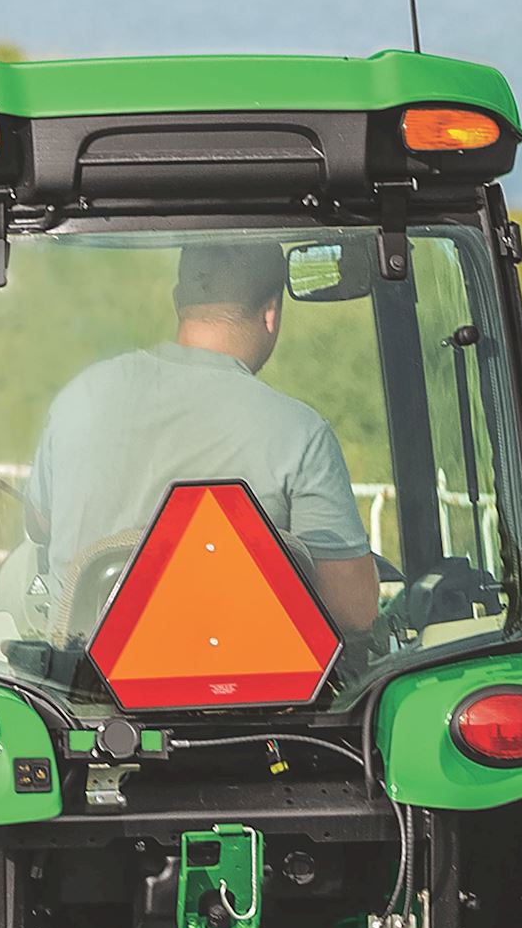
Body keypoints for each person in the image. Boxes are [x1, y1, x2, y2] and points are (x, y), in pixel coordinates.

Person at [26, 239, 376, 637]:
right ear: (272, 313)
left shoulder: (79, 399)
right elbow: (355, 609)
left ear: (179, 302)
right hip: (255, 692)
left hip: (81, 692)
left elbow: (40, 524)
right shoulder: (301, 431)